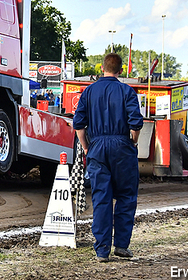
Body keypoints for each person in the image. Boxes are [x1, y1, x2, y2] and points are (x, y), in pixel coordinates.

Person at [72, 53, 143, 262]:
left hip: (97, 147)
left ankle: (102, 250)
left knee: (101, 198)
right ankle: (121, 246)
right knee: (126, 197)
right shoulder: (127, 91)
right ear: (121, 70)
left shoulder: (89, 91)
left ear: (101, 68)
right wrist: (133, 143)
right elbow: (136, 124)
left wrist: (86, 148)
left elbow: (78, 125)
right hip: (122, 146)